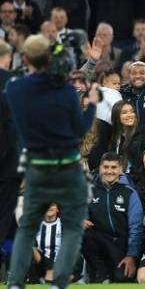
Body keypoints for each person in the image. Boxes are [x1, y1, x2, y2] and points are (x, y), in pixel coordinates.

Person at [6, 34, 97, 289]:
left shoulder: (15, 88)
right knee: (71, 228)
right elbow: (80, 130)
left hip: (36, 167)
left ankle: (14, 283)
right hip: (67, 167)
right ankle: (59, 283)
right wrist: (91, 105)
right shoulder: (67, 91)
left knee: (26, 229)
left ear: (25, 59)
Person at [83, 152, 143, 283]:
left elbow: (136, 227)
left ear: (120, 169)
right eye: (106, 167)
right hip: (99, 242)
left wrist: (131, 255)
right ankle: (99, 272)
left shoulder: (129, 193)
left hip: (120, 246)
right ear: (100, 168)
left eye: (113, 167)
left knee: (122, 278)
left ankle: (107, 273)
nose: (109, 171)